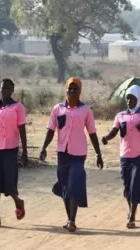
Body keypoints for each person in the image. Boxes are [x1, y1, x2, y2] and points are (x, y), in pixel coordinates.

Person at [39, 77, 104, 233]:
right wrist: (43, 147)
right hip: (62, 153)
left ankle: (72, 220)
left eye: (75, 89)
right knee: (65, 187)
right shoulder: (57, 109)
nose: (72, 91)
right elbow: (50, 130)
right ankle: (69, 218)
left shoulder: (86, 111)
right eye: (70, 88)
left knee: (74, 184)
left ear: (80, 91)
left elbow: (92, 133)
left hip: (78, 154)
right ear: (66, 89)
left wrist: (98, 154)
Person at [102, 85, 140, 229]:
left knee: (135, 185)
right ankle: (130, 209)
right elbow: (114, 131)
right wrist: (106, 138)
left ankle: (132, 217)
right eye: (127, 98)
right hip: (124, 156)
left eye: (132, 98)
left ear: (138, 99)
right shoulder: (120, 116)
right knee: (127, 186)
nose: (129, 101)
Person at [0, 78, 28, 228]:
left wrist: (24, 152)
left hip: (10, 149)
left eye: (9, 88)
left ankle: (18, 201)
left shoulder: (18, 108)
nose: (6, 91)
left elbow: (22, 130)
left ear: (12, 90)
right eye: (3, 88)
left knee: (9, 183)